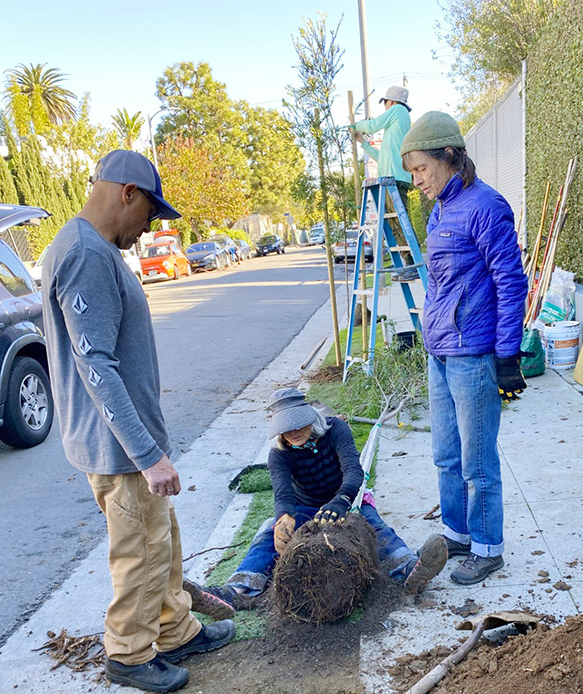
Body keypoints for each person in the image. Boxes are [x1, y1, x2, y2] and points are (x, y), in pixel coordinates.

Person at [41, 149, 235, 694]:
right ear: (127, 192)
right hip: (118, 449)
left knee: (162, 539)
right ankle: (128, 652)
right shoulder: (84, 254)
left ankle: (175, 628)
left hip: (129, 443)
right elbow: (95, 364)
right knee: (140, 553)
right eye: (150, 212)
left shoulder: (96, 248)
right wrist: (147, 456)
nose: (150, 226)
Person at [399, 112, 529, 586]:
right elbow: (441, 282)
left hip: (473, 356)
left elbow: (511, 283)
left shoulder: (486, 206)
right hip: (441, 352)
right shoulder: (439, 210)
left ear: (449, 157)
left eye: (421, 169)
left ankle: (488, 547)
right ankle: (456, 533)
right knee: (445, 454)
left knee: (477, 461)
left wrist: (508, 355)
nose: (417, 181)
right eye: (412, 172)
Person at [191, 387, 448, 608]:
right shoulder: (279, 454)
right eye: (285, 428)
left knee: (373, 527)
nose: (292, 433)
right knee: (267, 536)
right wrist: (283, 518)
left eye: (297, 423)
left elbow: (353, 470)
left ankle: (409, 568)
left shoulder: (336, 429)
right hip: (307, 505)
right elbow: (282, 493)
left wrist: (341, 500)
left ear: (310, 417)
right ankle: (236, 591)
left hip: (348, 498)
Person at [351, 85, 417, 279]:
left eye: (385, 103)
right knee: (396, 221)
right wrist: (362, 142)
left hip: (394, 179)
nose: (385, 108)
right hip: (393, 177)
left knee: (399, 221)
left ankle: (411, 264)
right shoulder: (395, 127)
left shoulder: (398, 111)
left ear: (392, 102)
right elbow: (381, 158)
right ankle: (408, 263)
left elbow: (373, 125)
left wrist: (355, 126)